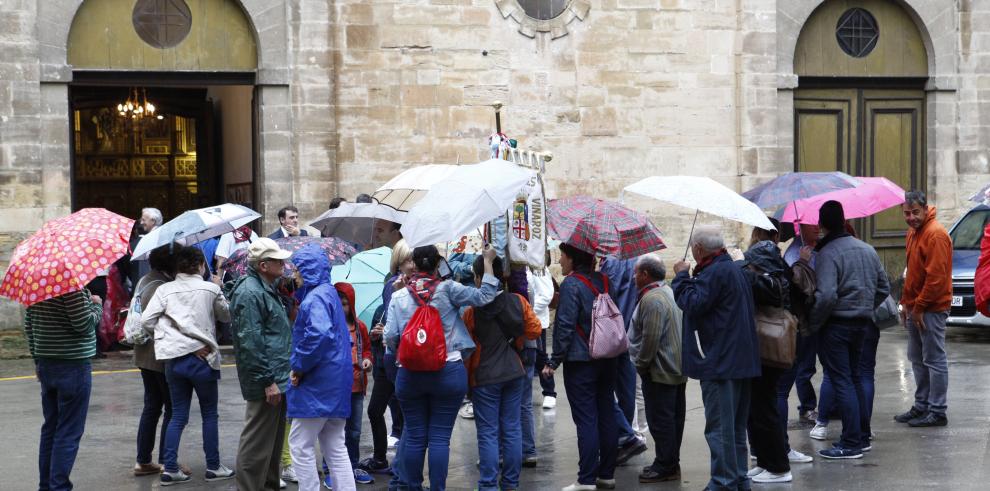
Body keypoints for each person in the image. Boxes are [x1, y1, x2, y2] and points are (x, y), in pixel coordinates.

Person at [383, 244, 499, 491]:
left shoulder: (398, 295)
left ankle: (411, 486)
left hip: (410, 373)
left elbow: (391, 337)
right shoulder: (449, 289)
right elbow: (484, 297)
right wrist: (487, 262)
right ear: (438, 264)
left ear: (413, 264)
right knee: (439, 437)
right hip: (448, 370)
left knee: (414, 435)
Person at [672, 224, 760, 491]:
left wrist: (681, 277)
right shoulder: (732, 268)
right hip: (740, 361)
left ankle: (723, 482)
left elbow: (693, 303)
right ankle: (738, 478)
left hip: (722, 362)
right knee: (733, 428)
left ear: (698, 249)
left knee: (720, 428)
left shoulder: (716, 272)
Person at [141, 246, 234, 485]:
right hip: (204, 360)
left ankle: (170, 468)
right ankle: (213, 466)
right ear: (201, 266)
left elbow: (147, 321)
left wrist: (177, 341)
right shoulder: (210, 288)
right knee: (209, 414)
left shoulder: (164, 289)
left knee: (178, 415)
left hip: (175, 360)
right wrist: (218, 289)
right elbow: (226, 316)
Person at [807, 201, 890, 459]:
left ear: (821, 224)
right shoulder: (867, 249)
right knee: (854, 378)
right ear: (844, 220)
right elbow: (884, 288)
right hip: (862, 325)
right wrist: (865, 307)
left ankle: (852, 442)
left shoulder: (828, 253)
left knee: (843, 381)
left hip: (836, 326)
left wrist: (813, 323)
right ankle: (862, 437)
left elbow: (827, 296)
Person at [541, 243, 620, 491]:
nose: (560, 261)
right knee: (607, 415)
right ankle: (606, 474)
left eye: (562, 256)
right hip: (608, 357)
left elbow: (564, 326)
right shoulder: (605, 281)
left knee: (586, 419)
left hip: (581, 360)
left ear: (573, 259)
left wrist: (554, 361)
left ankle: (586, 479)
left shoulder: (572, 285)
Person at [463, 254, 542, 491]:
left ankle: (488, 485)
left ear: (479, 279)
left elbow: (466, 344)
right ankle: (511, 483)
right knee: (512, 428)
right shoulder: (518, 301)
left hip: (485, 376)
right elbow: (535, 331)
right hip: (514, 372)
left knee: (487, 432)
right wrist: (515, 334)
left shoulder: (472, 311)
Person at [286, 244, 357, 491]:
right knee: (335, 446)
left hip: (318, 382)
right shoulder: (328, 293)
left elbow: (318, 334)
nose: (294, 274)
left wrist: (299, 367)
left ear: (307, 269)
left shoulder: (314, 298)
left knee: (299, 444)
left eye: (297, 269)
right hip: (336, 379)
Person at [228, 238, 293, 491]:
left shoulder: (264, 287)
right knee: (257, 443)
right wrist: (268, 381)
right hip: (267, 378)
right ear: (264, 265)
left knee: (272, 442)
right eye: (278, 260)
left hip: (276, 375)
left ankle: (268, 485)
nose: (283, 263)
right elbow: (251, 342)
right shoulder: (251, 292)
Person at [24, 287, 102, 490]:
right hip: (73, 365)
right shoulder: (71, 289)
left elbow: (29, 326)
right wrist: (96, 305)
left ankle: (46, 486)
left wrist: (37, 360)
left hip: (46, 364)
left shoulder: (37, 288)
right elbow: (83, 324)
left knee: (51, 428)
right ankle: (59, 486)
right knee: (68, 431)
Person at [739, 225, 799, 484]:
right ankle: (764, 461)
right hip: (761, 352)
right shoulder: (769, 278)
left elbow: (757, 284)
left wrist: (742, 265)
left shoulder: (773, 282)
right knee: (757, 410)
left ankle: (778, 467)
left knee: (766, 410)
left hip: (770, 355)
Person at [627, 253, 687, 484]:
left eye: (635, 273)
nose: (633, 277)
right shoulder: (668, 292)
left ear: (645, 274)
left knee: (661, 421)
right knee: (672, 421)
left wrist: (641, 364)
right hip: (675, 368)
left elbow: (650, 339)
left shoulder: (652, 299)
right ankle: (669, 462)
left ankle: (666, 465)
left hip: (661, 371)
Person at [896, 189, 953, 427]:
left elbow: (936, 279)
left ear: (925, 209)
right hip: (916, 307)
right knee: (917, 359)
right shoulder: (913, 232)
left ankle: (937, 410)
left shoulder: (935, 234)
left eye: (915, 212)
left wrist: (918, 307)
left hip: (931, 308)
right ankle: (922, 406)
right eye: (907, 213)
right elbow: (913, 274)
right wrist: (906, 304)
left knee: (934, 359)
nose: (911, 217)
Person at [358, 240, 412, 476]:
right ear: (399, 262)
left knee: (407, 415)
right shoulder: (394, 285)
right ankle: (385, 459)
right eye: (407, 260)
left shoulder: (418, 286)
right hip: (389, 360)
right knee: (377, 410)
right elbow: (393, 323)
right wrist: (381, 332)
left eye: (414, 260)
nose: (412, 265)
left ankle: (400, 464)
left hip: (402, 360)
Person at [131, 246, 183, 477]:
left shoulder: (145, 280)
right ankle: (166, 460)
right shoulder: (163, 287)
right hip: (160, 354)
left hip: (143, 353)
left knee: (151, 406)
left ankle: (143, 461)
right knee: (171, 407)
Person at [599, 255, 648, 464]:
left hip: (612, 331)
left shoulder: (611, 263)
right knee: (627, 388)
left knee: (603, 388)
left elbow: (606, 295)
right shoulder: (637, 261)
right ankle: (625, 439)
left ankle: (624, 436)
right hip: (630, 330)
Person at [333, 282, 376, 486]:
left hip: (357, 387)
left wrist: (368, 360)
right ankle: (332, 469)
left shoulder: (360, 327)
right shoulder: (330, 326)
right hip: (336, 388)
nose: (342, 308)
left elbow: (367, 350)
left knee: (354, 431)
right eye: (338, 303)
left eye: (345, 304)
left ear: (352, 304)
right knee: (334, 431)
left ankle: (352, 465)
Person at [780, 223, 821, 425]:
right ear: (800, 227)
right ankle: (807, 407)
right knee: (804, 366)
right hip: (803, 319)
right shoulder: (795, 253)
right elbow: (796, 287)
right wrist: (803, 264)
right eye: (811, 225)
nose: (817, 227)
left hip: (817, 316)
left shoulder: (818, 247)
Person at [522, 263, 554, 467]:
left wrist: (529, 310)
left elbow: (547, 293)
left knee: (541, 357)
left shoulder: (538, 268)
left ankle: (550, 392)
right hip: (528, 319)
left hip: (535, 321)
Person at [128, 208, 163, 289]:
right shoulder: (156, 236)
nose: (141, 222)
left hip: (151, 285)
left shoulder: (155, 239)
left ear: (153, 221)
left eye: (144, 220)